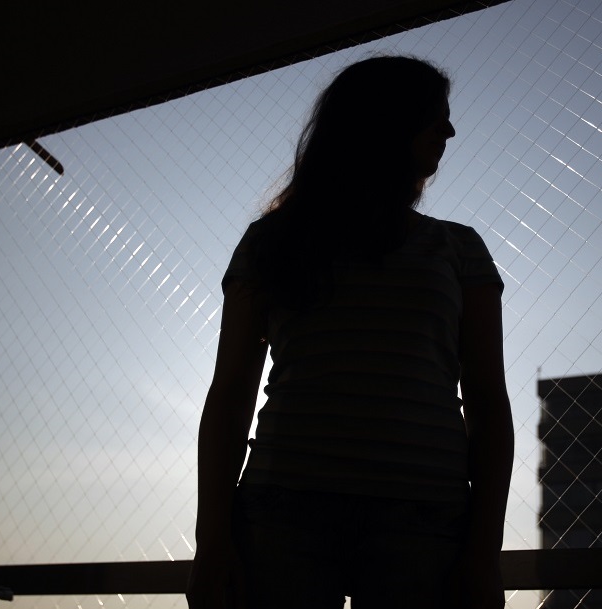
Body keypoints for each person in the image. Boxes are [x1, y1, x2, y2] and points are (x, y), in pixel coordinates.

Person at [186, 55, 513, 609]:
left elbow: (489, 405)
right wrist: (212, 543)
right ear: (386, 121)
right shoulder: (271, 243)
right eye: (435, 115)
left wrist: (484, 554)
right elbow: (230, 395)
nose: (450, 130)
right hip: (288, 513)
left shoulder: (460, 249)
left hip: (420, 520)